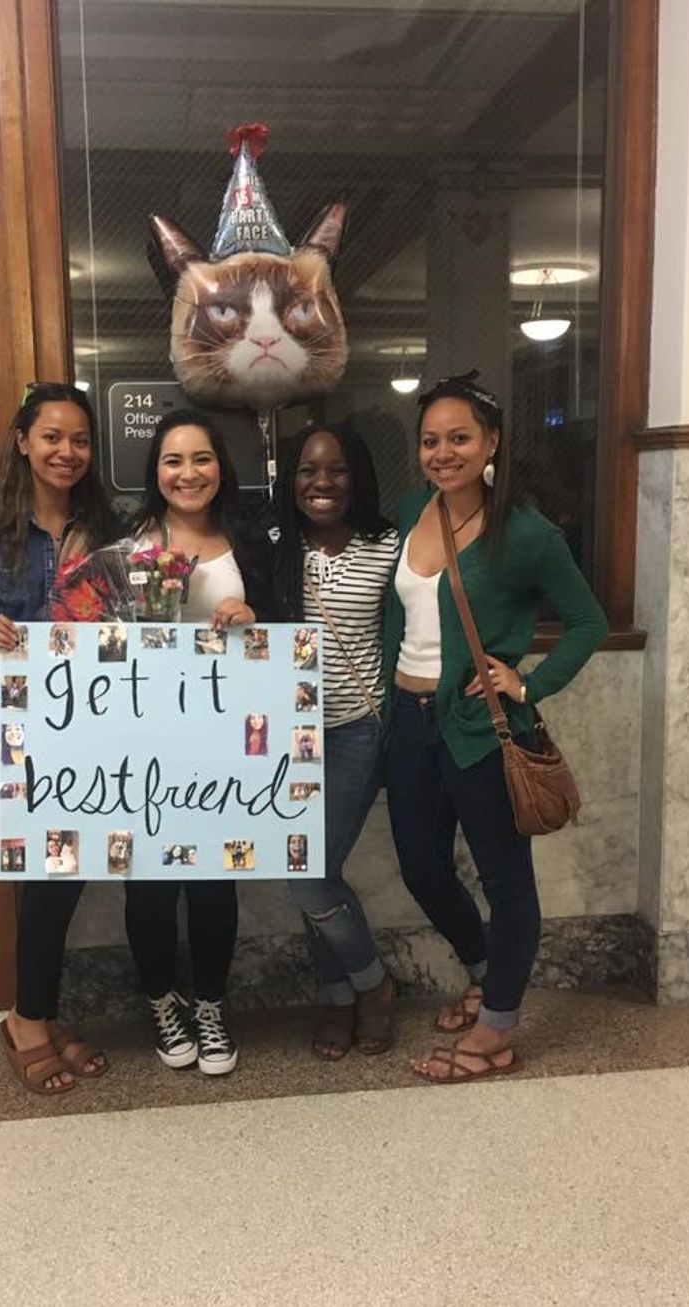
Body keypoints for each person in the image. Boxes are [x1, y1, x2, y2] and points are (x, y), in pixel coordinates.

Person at [383, 371, 608, 1083]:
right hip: (408, 721)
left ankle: (497, 1030)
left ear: (492, 443)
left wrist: (527, 683)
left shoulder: (526, 532)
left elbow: (588, 622)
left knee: (507, 881)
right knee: (422, 869)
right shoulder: (413, 509)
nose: (442, 453)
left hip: (478, 728)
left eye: (459, 438)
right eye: (430, 441)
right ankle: (485, 972)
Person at [0, 382, 118, 1095]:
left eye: (79, 440)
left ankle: (37, 1009)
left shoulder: (105, 528)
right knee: (48, 867)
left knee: (66, 867)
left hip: (87, 719)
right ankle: (28, 1018)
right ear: (22, 441)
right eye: (51, 437)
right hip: (4, 718)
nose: (66, 451)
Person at [125, 408, 264, 1076]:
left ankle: (209, 1004)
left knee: (214, 882)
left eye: (201, 458)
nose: (188, 473)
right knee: (148, 885)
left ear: (220, 466)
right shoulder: (127, 546)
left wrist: (253, 616)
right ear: (155, 470)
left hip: (225, 743)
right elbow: (90, 635)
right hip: (143, 741)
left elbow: (285, 631)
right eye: (173, 460)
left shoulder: (249, 540)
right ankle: (161, 1000)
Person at [269, 422, 401, 1059]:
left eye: (337, 470)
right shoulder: (271, 545)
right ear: (289, 479)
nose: (322, 483)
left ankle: (370, 988)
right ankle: (344, 996)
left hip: (356, 731)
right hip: (283, 736)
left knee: (310, 872)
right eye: (308, 471)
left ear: (358, 477)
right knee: (311, 871)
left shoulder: (388, 545)